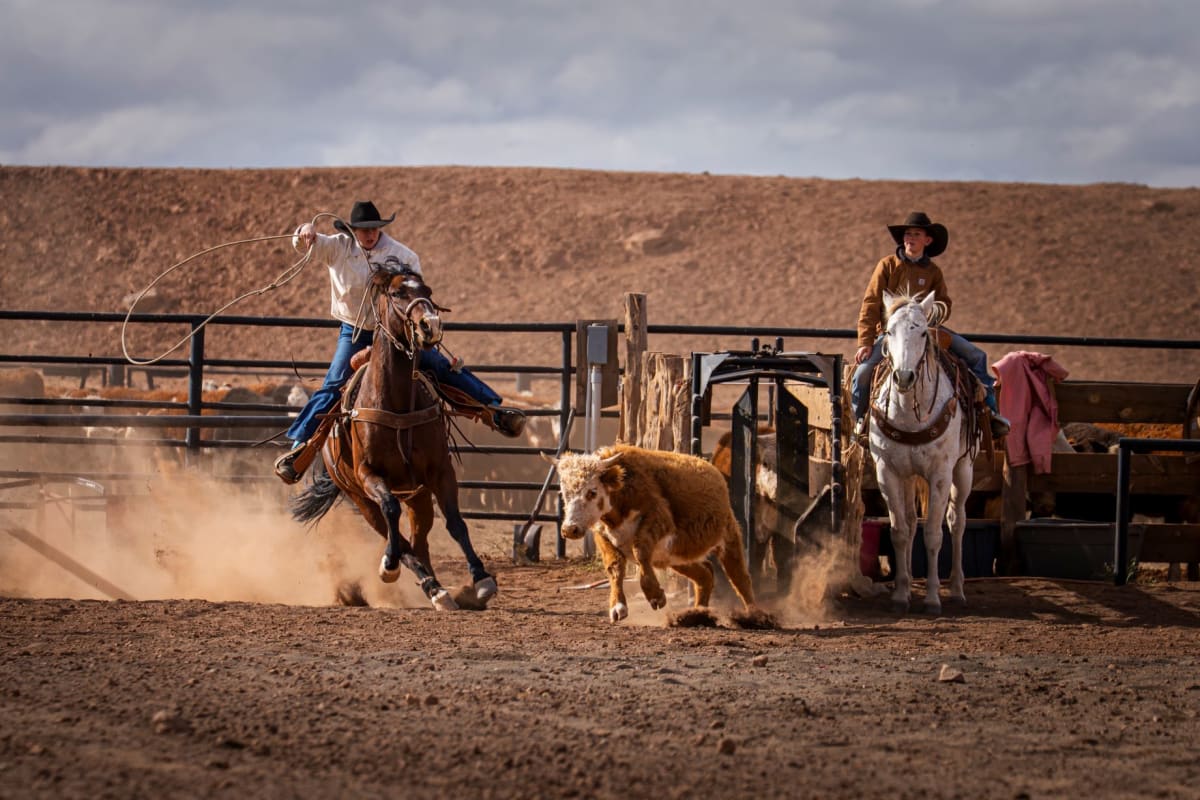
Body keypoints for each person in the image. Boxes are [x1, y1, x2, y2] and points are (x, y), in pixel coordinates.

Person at [274, 200, 526, 484]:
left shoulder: (402, 255)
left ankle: (493, 409)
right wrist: (304, 231)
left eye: (374, 229)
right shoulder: (338, 247)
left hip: (396, 333)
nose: (369, 234)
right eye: (363, 229)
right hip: (356, 331)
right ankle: (299, 447)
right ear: (352, 230)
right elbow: (305, 244)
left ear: (380, 228)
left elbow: (415, 293)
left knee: (439, 365)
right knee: (334, 384)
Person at [851, 211, 1010, 440]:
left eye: (916, 234)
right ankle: (861, 421)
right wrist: (865, 342)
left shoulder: (933, 272)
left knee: (976, 356)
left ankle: (992, 413)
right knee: (863, 373)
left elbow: (944, 303)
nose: (910, 238)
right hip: (893, 334)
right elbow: (871, 303)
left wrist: (932, 313)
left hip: (928, 330)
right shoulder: (887, 266)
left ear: (928, 240)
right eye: (907, 234)